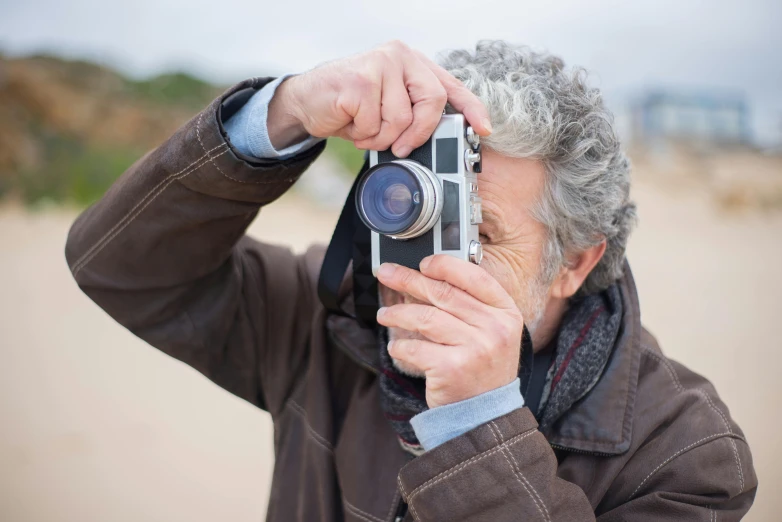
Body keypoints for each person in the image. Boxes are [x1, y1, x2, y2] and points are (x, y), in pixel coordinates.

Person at [65, 40, 757, 521]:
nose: (422, 264)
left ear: (573, 263)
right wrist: (284, 111)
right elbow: (120, 266)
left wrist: (477, 427)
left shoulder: (686, 450)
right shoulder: (326, 319)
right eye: (410, 211)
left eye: (474, 235)